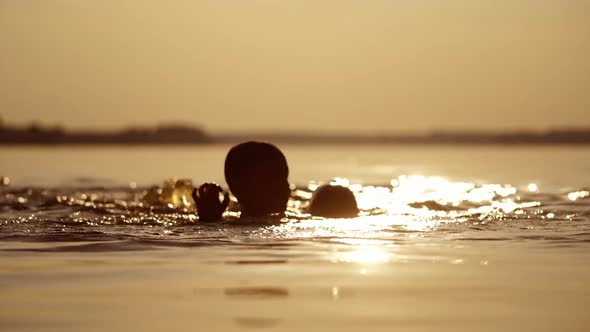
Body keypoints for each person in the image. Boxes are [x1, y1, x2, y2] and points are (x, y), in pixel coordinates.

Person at [193, 141, 291, 220]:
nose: (287, 189)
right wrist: (209, 220)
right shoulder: (229, 228)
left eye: (285, 178)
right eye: (274, 180)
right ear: (243, 188)